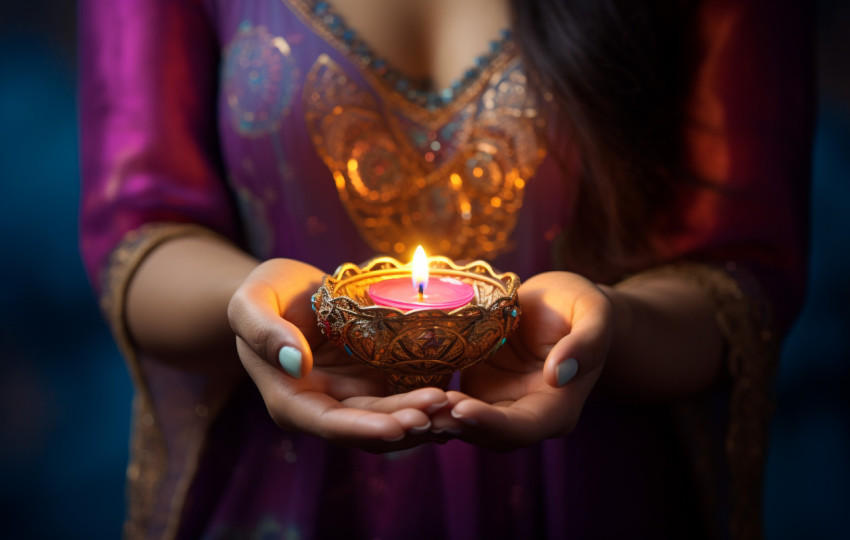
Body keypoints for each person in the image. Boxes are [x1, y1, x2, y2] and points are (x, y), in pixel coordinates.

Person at [79, 0, 813, 538]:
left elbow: (739, 271)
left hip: (589, 484)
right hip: (284, 494)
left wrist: (607, 327)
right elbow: (138, 229)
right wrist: (259, 311)